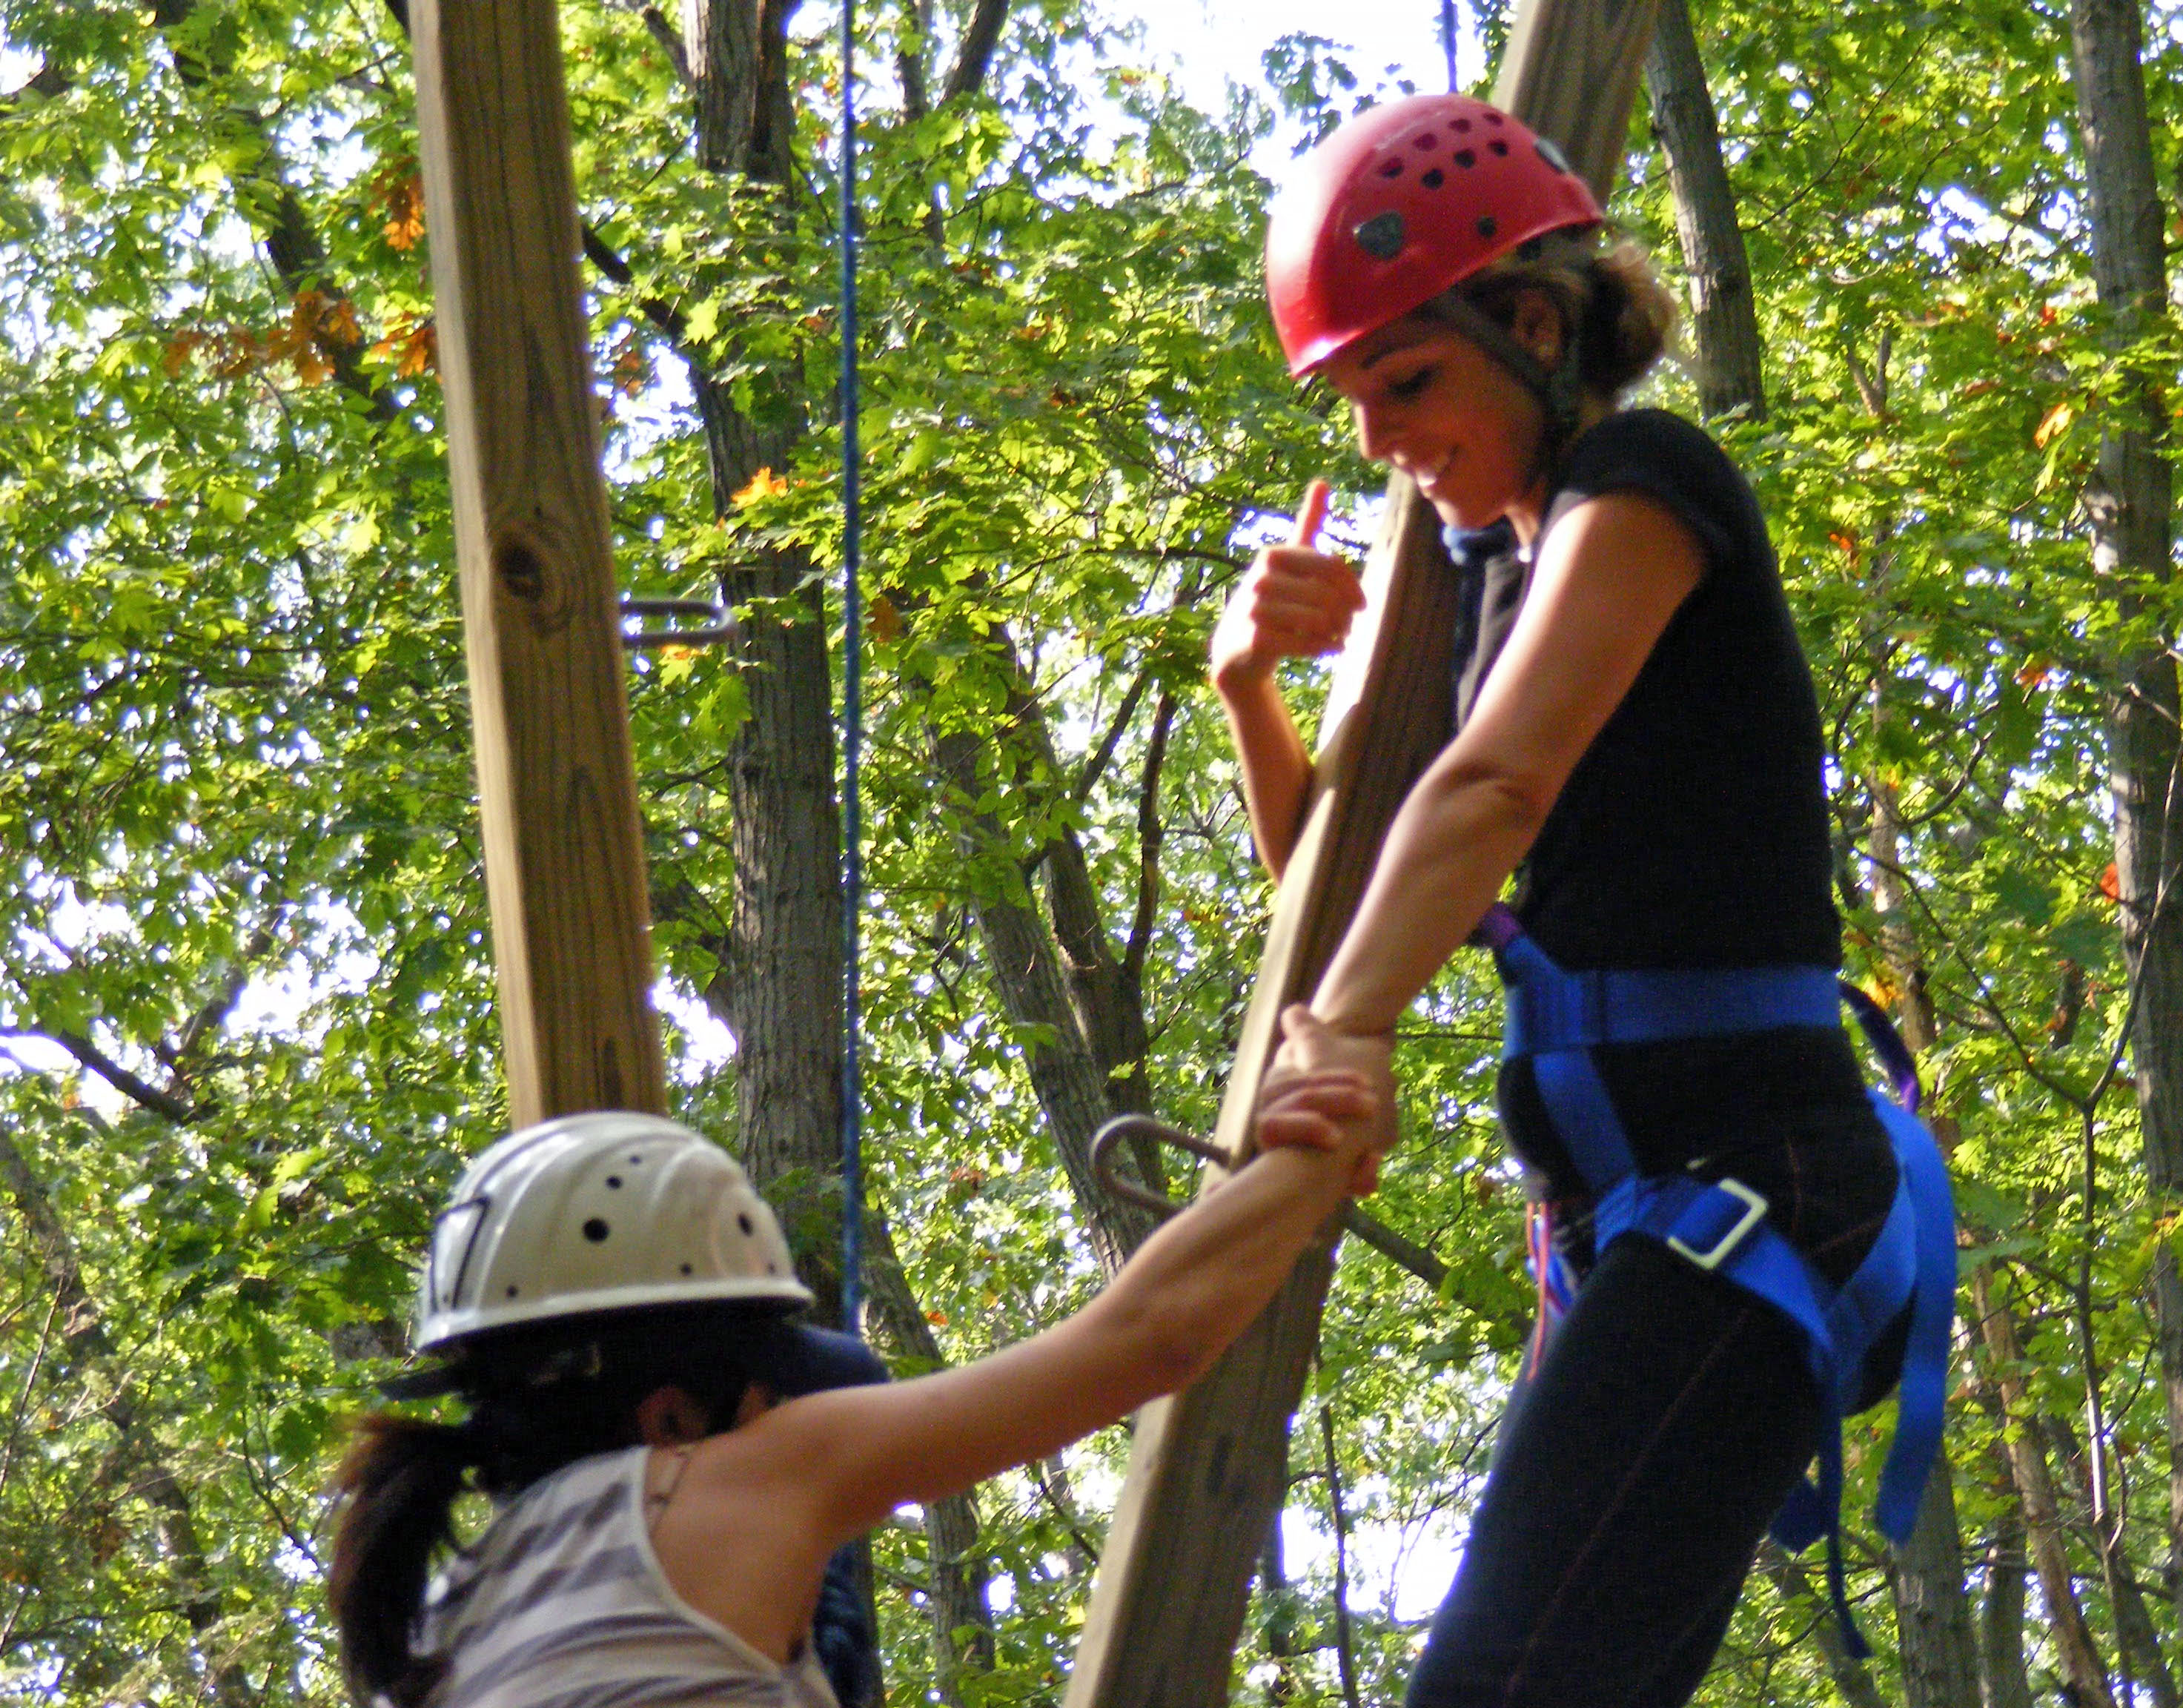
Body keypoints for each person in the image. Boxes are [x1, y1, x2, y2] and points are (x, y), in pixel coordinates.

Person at [1213, 93, 1952, 1705]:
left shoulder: (1645, 487)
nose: (1379, 443)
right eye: (1352, 404)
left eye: (1405, 384)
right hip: (1638, 1222)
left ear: (1534, 327)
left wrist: (1340, 1036)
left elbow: (1491, 794)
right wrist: (1251, 690)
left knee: (1499, 1689)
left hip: (1753, 1183)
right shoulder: (1478, 576)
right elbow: (1332, 906)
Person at [328, 1040, 1382, 1708]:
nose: (786, 1413)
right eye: (767, 1392)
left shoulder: (445, 1629)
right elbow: (1152, 1337)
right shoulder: (722, 1483)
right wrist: (1319, 1142)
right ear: (668, 1416)